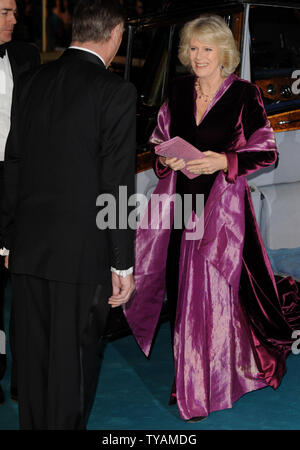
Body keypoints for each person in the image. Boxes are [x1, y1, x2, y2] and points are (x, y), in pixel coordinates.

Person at [124, 14, 300, 421]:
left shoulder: (244, 95)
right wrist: (165, 156)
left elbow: (266, 151)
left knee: (216, 294)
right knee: (186, 293)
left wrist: (224, 160)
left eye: (207, 49)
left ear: (225, 53)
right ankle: (191, 376)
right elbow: (159, 138)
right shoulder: (180, 90)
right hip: (183, 206)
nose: (198, 56)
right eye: (193, 49)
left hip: (224, 210)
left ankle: (212, 379)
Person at [1, 0, 136, 430]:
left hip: (29, 249)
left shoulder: (33, 79)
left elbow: (13, 161)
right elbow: (116, 184)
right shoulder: (115, 90)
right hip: (82, 254)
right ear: (114, 34)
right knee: (72, 366)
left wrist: (6, 238)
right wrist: (122, 261)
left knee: (35, 361)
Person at [0, 0, 40, 405]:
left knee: (27, 284)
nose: (14, 20)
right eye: (4, 12)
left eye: (14, 11)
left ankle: (25, 377)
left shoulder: (26, 54)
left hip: (24, 182)